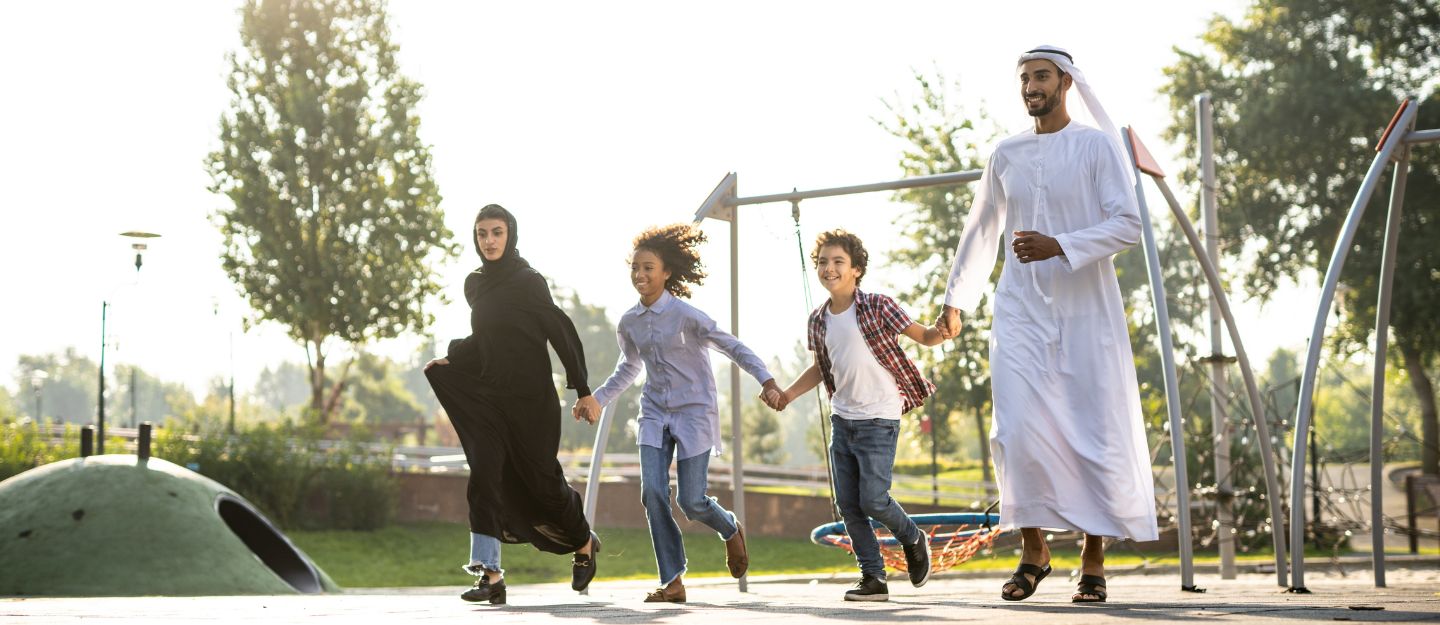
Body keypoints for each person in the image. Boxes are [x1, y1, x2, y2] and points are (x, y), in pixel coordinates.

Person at [936, 45, 1158, 603]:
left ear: (1066, 83)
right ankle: (1034, 550)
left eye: (1041, 77)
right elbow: (982, 226)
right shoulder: (1005, 153)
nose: (1031, 86)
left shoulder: (1094, 145)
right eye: (1025, 78)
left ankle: (1093, 558)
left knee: (1093, 430)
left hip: (1086, 312)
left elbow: (1127, 223)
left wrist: (1061, 245)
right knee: (1015, 429)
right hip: (1020, 310)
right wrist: (956, 297)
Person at [573, 223, 782, 603]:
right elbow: (629, 366)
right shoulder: (629, 321)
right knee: (652, 493)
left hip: (694, 412)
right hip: (653, 412)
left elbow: (732, 346)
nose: (640, 274)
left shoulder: (687, 316)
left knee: (692, 501)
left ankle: (730, 528)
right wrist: (598, 398)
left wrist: (766, 380)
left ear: (666, 272)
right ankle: (673, 581)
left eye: (648, 267)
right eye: (635, 267)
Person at [424, 204, 601, 605]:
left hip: (532, 401)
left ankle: (583, 541)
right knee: (485, 472)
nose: (489, 241)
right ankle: (490, 574)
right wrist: (453, 358)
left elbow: (560, 331)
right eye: (483, 233)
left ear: (511, 234)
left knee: (542, 483)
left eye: (497, 232)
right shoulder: (475, 285)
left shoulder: (529, 282)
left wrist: (584, 389)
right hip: (491, 396)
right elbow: (488, 341)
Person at [770, 229, 945, 602]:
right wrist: (787, 394)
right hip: (842, 420)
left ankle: (913, 537)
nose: (829, 268)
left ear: (857, 270)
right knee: (849, 505)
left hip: (879, 418)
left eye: (838, 262)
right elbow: (821, 367)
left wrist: (943, 329)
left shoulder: (878, 306)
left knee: (874, 500)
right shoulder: (818, 320)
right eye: (822, 262)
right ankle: (873, 578)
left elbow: (924, 336)